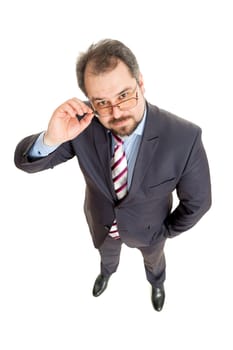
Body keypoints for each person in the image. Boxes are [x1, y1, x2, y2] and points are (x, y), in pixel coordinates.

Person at [14, 38, 211, 311]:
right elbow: (27, 164)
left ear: (141, 84)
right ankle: (107, 273)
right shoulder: (82, 124)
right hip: (103, 224)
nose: (116, 112)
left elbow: (199, 202)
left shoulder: (184, 137)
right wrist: (51, 138)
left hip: (151, 232)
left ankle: (156, 283)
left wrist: (163, 231)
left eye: (124, 95)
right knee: (106, 257)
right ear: (90, 101)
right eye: (102, 102)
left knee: (155, 261)